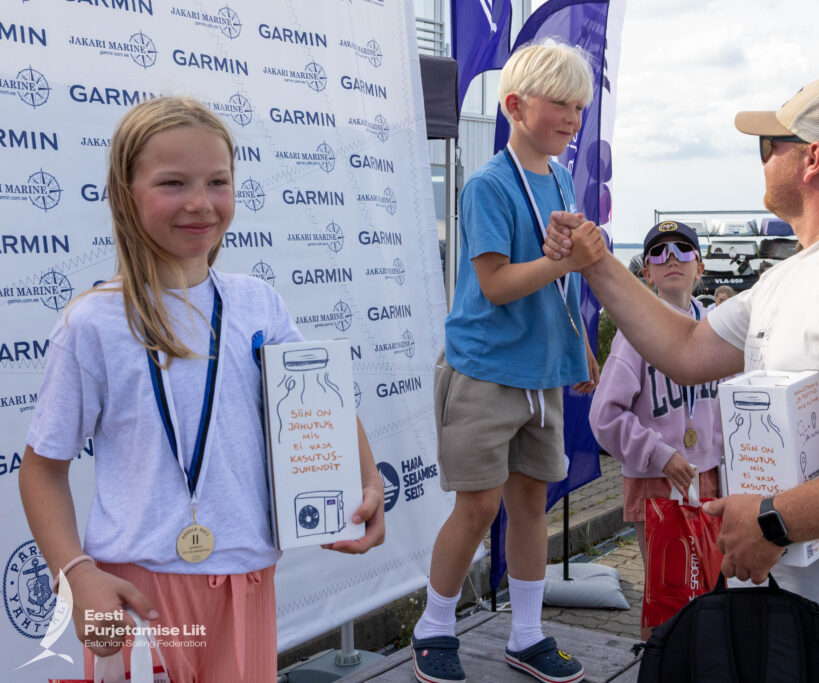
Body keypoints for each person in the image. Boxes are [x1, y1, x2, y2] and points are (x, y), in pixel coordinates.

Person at [545, 77, 819, 682]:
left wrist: (777, 519)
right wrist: (595, 261)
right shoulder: (794, 276)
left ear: (812, 158)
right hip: (809, 605)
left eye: (767, 145)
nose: (761, 159)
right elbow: (687, 347)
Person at [18, 97, 386, 682]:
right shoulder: (93, 324)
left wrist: (365, 479)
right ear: (124, 194)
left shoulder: (258, 302)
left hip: (246, 581)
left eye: (217, 181)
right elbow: (41, 468)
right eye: (172, 182)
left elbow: (323, 402)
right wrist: (76, 574)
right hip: (133, 590)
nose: (199, 202)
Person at [410, 41, 603, 683]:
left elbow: (559, 284)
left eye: (580, 105)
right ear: (515, 105)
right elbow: (495, 284)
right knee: (477, 507)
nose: (573, 117)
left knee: (530, 504)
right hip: (486, 372)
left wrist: (576, 350)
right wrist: (564, 263)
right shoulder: (488, 184)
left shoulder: (561, 175)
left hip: (541, 374)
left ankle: (526, 633)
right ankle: (434, 625)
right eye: (561, 104)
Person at [589, 221, 722, 641]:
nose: (671, 259)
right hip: (655, 481)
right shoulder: (633, 335)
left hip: (713, 478)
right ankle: (658, 665)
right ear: (645, 272)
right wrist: (660, 453)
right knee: (666, 595)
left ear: (699, 267)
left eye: (683, 250)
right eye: (658, 253)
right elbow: (604, 416)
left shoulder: (721, 330)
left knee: (712, 590)